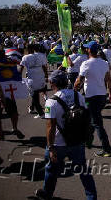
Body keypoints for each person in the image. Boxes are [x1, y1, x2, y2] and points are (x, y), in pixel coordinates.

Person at [35, 70, 97, 200]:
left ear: (52, 83)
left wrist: (50, 147)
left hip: (58, 143)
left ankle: (47, 193)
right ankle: (91, 197)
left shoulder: (50, 102)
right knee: (83, 171)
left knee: (51, 170)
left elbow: (50, 126)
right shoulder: (77, 95)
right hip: (77, 140)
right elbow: (86, 109)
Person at [74, 41, 111, 157]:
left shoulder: (86, 64)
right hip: (102, 96)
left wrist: (74, 89)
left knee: (97, 122)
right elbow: (109, 80)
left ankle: (106, 149)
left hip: (91, 97)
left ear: (89, 50)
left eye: (87, 48)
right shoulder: (104, 63)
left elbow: (79, 81)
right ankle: (88, 140)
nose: (86, 50)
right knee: (91, 118)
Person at [0, 49, 25, 140]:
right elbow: (17, 75)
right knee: (13, 112)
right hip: (10, 92)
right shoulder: (12, 64)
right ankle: (15, 128)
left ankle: (1, 134)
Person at [20, 44, 48, 118]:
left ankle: (41, 113)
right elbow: (44, 67)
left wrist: (19, 78)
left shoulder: (25, 57)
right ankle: (32, 108)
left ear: (27, 50)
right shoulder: (39, 56)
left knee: (35, 97)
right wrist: (46, 76)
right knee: (40, 93)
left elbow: (21, 69)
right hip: (41, 78)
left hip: (32, 79)